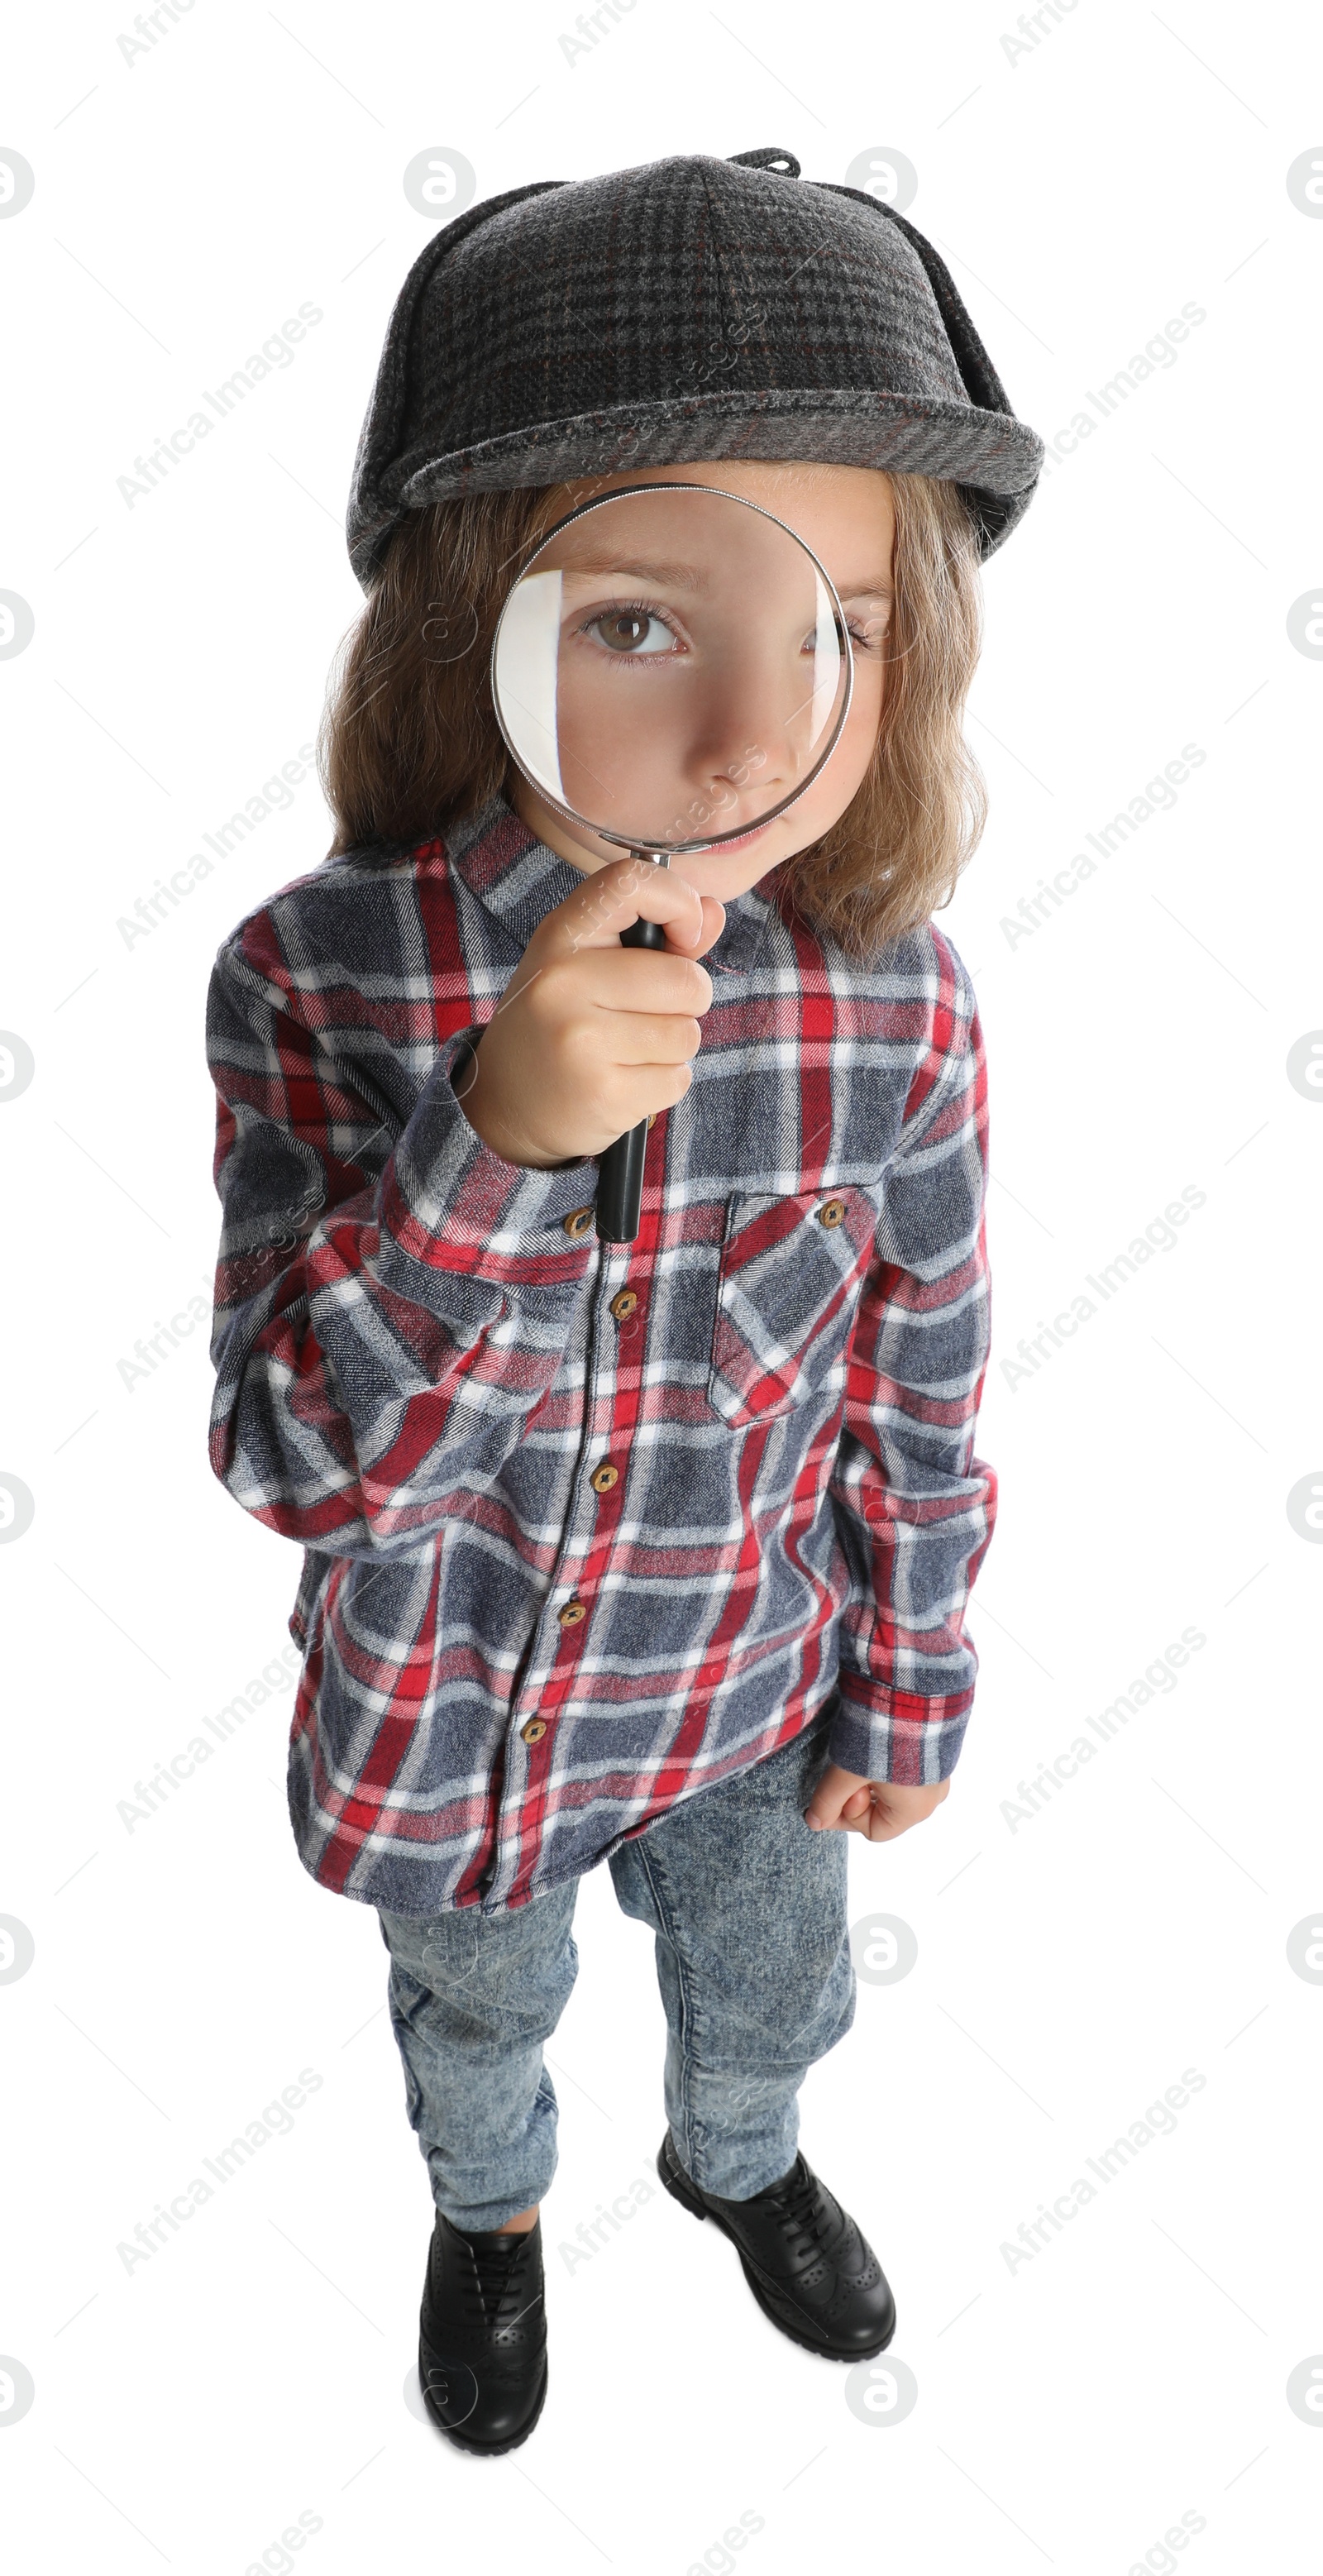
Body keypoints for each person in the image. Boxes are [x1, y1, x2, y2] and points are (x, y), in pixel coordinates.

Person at [203, 145, 1044, 2455]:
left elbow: (925, 1379)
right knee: (476, 2008)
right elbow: (296, 1456)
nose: (759, 731)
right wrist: (498, 1131)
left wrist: (916, 1660)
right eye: (646, 622)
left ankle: (735, 2155)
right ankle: (492, 2219)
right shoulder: (319, 980)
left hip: (754, 1690)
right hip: (457, 1717)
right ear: (470, 619)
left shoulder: (901, 1015)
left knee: (775, 1975)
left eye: (842, 629)